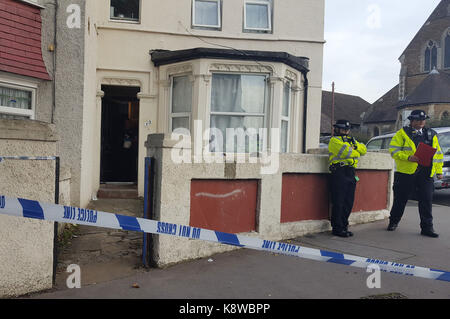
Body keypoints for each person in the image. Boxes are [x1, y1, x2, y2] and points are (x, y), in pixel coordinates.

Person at [387, 110, 444, 238]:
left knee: (426, 201)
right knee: (400, 199)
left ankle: (427, 228)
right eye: (418, 120)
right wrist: (408, 157)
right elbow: (393, 151)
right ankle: (393, 222)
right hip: (406, 172)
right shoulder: (402, 133)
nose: (421, 122)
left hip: (426, 173)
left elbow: (438, 154)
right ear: (412, 121)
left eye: (423, 120)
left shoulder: (431, 134)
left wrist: (439, 171)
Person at [328, 120, 367, 237]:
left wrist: (355, 148)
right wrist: (356, 150)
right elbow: (347, 153)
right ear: (337, 129)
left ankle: (344, 226)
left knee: (348, 202)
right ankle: (337, 228)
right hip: (339, 172)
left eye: (347, 129)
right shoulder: (334, 141)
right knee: (338, 202)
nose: (346, 131)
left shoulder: (352, 140)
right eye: (343, 129)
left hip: (350, 172)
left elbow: (364, 149)